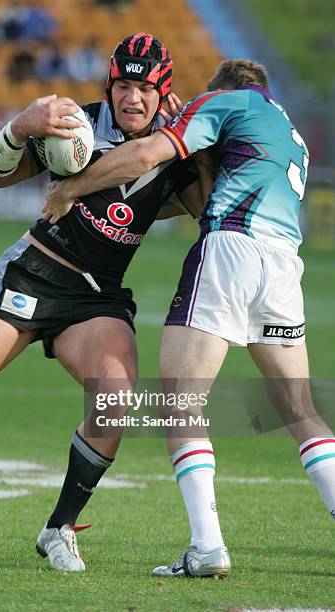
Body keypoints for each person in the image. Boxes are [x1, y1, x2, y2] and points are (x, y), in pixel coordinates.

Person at [42, 58, 335, 578]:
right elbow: (206, 188)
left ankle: (207, 549)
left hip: (231, 251)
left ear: (221, 88)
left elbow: (148, 154)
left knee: (180, 403)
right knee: (300, 409)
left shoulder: (222, 101)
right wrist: (198, 150)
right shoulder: (288, 129)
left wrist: (71, 188)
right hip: (284, 264)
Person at [0, 33, 204, 574]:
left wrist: (202, 142)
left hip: (97, 296)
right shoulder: (73, 124)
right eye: (123, 85)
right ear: (110, 84)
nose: (132, 99)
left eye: (145, 89)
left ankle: (58, 530)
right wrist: (17, 129)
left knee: (114, 403)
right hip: (35, 273)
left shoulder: (177, 150)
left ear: (163, 92)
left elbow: (209, 211)